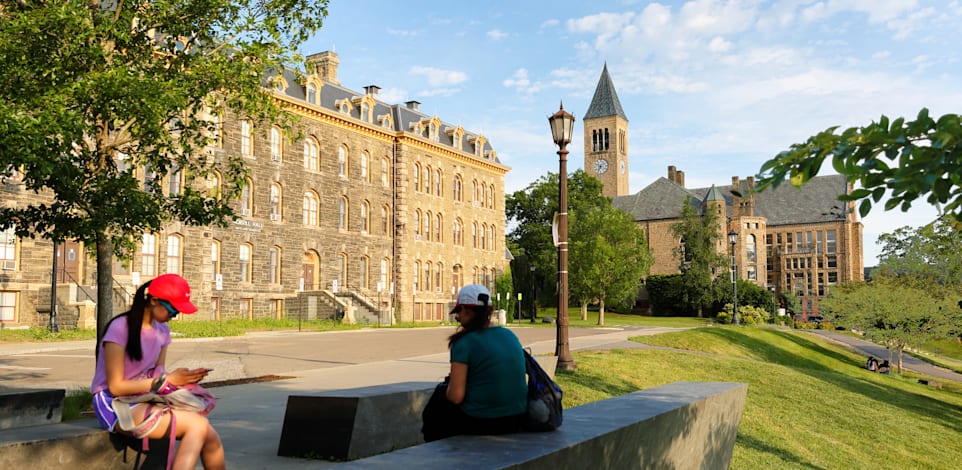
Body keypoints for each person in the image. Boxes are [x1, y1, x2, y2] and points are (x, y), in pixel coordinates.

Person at [90, 274, 224, 470]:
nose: (175, 315)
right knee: (198, 426)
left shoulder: (162, 331)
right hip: (114, 404)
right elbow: (116, 387)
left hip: (142, 398)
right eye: (174, 309)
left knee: (211, 436)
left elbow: (157, 373)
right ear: (153, 301)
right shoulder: (120, 328)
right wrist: (166, 380)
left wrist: (181, 380)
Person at [421, 284, 528, 442]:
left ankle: (438, 454)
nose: (458, 317)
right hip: (517, 418)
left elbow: (456, 397)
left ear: (465, 310)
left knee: (437, 402)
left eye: (458, 312)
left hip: (483, 422)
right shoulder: (509, 335)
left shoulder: (464, 343)